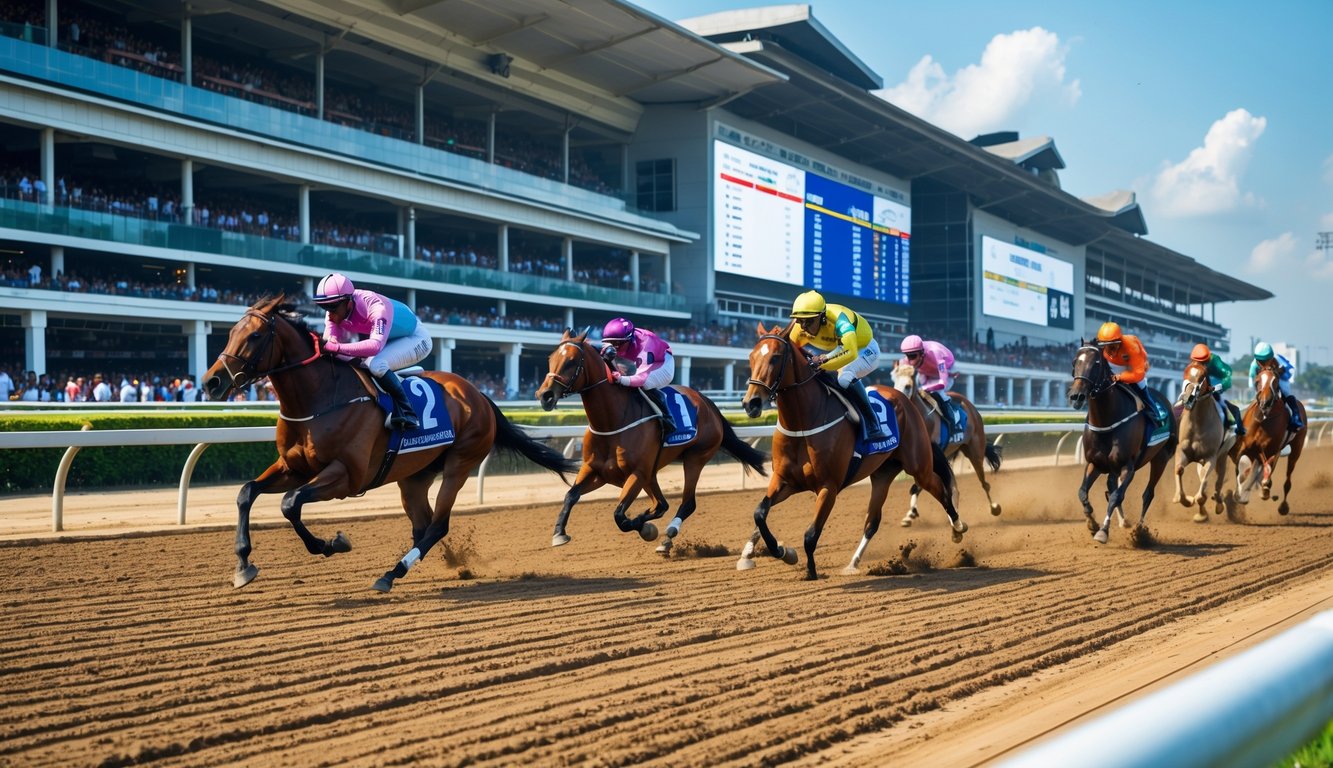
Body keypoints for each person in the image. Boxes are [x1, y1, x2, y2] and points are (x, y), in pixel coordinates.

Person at [313, 273, 433, 430]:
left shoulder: (375, 306)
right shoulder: (334, 311)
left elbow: (375, 346)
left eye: (333, 307)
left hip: (416, 338)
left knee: (376, 364)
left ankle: (407, 412)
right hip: (389, 339)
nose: (330, 313)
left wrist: (337, 348)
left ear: (348, 302)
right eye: (325, 307)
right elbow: (330, 345)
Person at [788, 290, 887, 441]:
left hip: (864, 350)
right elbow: (791, 352)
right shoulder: (799, 327)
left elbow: (851, 352)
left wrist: (823, 360)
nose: (803, 327)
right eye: (800, 321)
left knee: (844, 379)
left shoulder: (840, 319)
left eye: (809, 321)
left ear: (822, 317)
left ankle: (873, 423)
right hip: (840, 349)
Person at [599, 317, 677, 434]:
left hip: (662, 363)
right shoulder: (621, 340)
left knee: (645, 384)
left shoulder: (646, 346)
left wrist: (621, 379)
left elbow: (641, 379)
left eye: (618, 343)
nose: (614, 347)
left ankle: (668, 417)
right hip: (637, 360)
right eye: (611, 343)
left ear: (629, 339)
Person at [1094, 322, 1167, 427]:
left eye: (1113, 346)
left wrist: (1120, 377)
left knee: (1142, 389)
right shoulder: (1101, 348)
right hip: (1113, 366)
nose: (1110, 350)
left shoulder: (1131, 346)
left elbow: (1138, 374)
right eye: (1106, 346)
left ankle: (1156, 414)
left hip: (1133, 366)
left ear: (1120, 341)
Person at [899, 335, 960, 430]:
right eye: (907, 355)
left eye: (913, 356)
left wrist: (926, 388)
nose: (909, 360)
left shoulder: (936, 352)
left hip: (947, 372)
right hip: (926, 371)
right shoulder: (907, 360)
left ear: (922, 352)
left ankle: (953, 421)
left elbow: (943, 382)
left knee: (938, 393)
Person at [1188, 343, 1244, 436]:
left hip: (1219, 380)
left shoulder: (1215, 361)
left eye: (1202, 363)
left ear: (1207, 360)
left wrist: (1215, 388)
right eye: (1197, 362)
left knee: (1220, 404)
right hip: (1205, 383)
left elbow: (1227, 378)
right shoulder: (1194, 363)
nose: (1199, 365)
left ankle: (1230, 424)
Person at [1249, 342, 1304, 432]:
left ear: (1271, 358)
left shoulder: (1278, 360)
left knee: (1286, 392)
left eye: (1266, 360)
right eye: (1260, 361)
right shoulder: (1253, 365)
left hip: (1281, 379)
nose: (1263, 363)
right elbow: (1251, 381)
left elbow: (1290, 371)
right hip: (1263, 382)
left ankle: (1296, 417)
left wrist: (1280, 373)